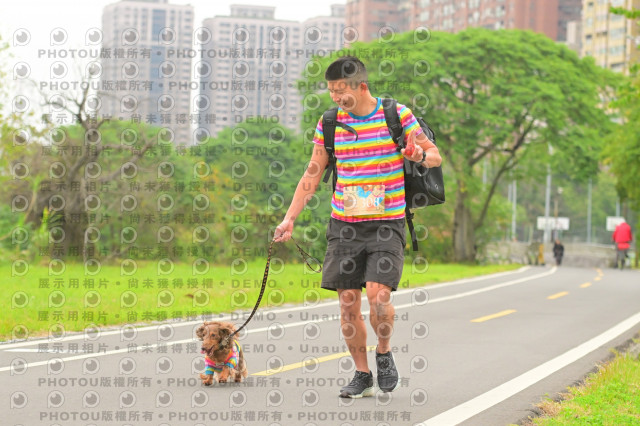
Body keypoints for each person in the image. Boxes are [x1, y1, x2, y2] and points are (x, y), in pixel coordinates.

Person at [273, 56, 442, 398]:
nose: (337, 98)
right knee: (348, 302)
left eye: (342, 91)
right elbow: (312, 173)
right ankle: (362, 374)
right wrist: (289, 218)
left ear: (361, 86)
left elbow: (435, 155)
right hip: (344, 225)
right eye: (332, 92)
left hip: (386, 222)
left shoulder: (397, 114)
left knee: (379, 297)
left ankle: (384, 352)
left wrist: (418, 156)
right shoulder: (330, 122)